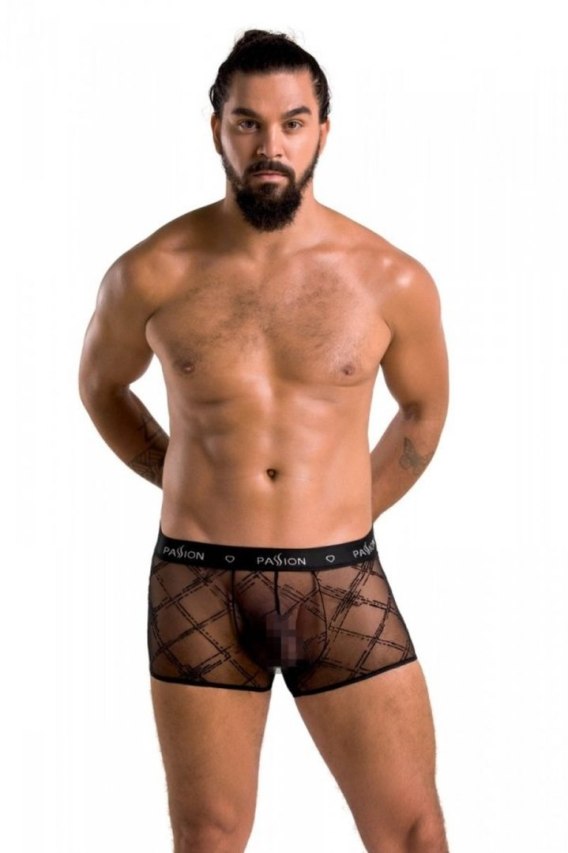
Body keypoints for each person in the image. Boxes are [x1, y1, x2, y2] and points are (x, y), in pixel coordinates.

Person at [79, 29, 450, 853]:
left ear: (324, 131)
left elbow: (423, 414)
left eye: (292, 122)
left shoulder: (390, 278)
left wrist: (347, 506)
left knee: (411, 830)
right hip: (198, 583)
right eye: (247, 122)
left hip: (339, 578)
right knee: (209, 834)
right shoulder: (150, 271)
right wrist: (175, 470)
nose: (269, 145)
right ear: (217, 129)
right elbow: (100, 388)